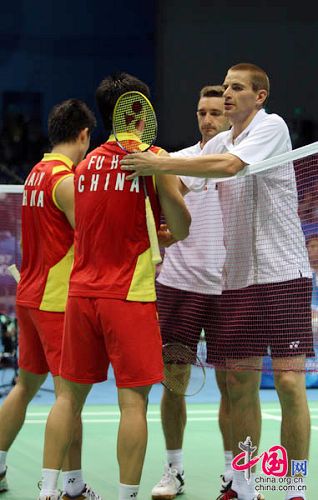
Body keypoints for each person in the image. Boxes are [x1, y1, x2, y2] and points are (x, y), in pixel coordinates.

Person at [121, 63, 314, 500]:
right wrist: (153, 202)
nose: (228, 94)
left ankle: (293, 486)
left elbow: (227, 167)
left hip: (284, 273)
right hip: (238, 279)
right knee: (241, 384)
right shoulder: (220, 142)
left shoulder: (271, 128)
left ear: (259, 96)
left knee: (288, 384)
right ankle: (243, 486)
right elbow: (179, 186)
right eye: (225, 86)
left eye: (237, 88)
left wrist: (160, 161)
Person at [38, 73, 191, 500]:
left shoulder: (81, 168)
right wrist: (169, 219)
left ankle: (48, 491)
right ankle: (126, 496)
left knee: (67, 399)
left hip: (80, 293)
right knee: (133, 404)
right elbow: (180, 226)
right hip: (129, 295)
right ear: (139, 113)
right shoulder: (153, 158)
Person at [0, 99, 101, 499]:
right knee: (68, 397)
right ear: (83, 135)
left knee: (24, 387)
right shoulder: (67, 181)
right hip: (57, 302)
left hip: (28, 295)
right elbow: (90, 241)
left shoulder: (35, 175)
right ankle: (70, 487)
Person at [150, 85, 231, 499]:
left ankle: (234, 477)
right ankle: (174, 469)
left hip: (227, 288)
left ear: (231, 115)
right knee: (174, 382)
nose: (207, 119)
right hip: (179, 286)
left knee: (234, 386)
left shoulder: (241, 164)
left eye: (216, 112)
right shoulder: (175, 162)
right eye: (202, 112)